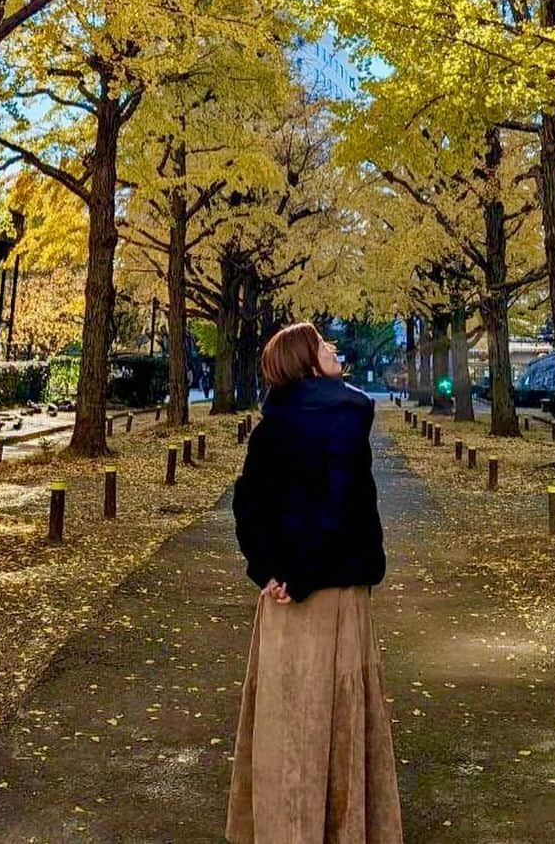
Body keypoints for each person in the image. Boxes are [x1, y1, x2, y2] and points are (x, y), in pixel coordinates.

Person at [225, 322, 404, 844]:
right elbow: (342, 506)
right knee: (341, 715)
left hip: (283, 596)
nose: (333, 349)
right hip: (337, 590)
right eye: (323, 344)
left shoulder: (272, 426)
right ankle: (343, 830)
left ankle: (282, 828)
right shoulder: (347, 418)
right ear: (307, 360)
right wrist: (296, 573)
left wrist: (270, 570)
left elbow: (248, 502)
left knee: (287, 718)